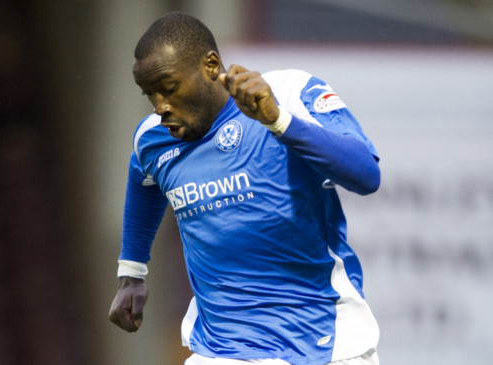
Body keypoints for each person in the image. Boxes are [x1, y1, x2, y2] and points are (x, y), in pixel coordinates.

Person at [108, 11, 381, 365]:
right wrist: (132, 272)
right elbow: (142, 179)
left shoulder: (289, 93)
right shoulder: (153, 139)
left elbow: (366, 175)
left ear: (210, 65)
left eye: (169, 88)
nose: (161, 106)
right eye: (150, 94)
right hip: (222, 351)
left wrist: (278, 121)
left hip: (324, 345)